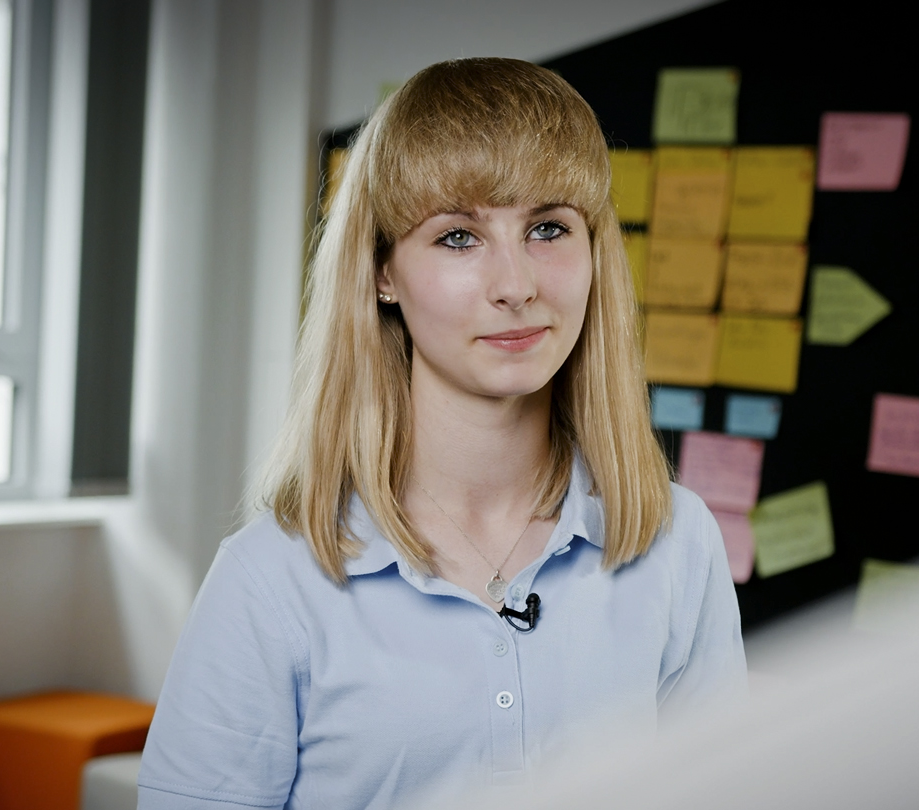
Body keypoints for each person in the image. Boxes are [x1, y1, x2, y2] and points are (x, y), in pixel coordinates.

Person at [137, 57, 746, 810]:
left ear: (596, 255)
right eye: (459, 237)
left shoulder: (677, 543)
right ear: (384, 272)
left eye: (549, 228)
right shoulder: (271, 580)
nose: (516, 284)